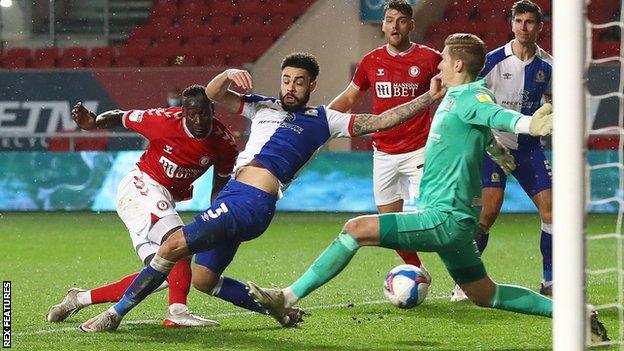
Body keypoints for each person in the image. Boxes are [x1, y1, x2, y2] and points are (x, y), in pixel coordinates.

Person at [246, 34, 609, 343]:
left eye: (443, 62)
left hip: (443, 218)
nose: (437, 67)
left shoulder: (472, 97)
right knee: (486, 293)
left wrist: (530, 123)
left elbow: (499, 117)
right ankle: (574, 314)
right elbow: (485, 133)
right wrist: (500, 152)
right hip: (454, 223)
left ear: (459, 67)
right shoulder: (454, 96)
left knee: (355, 230)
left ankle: (286, 296)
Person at [78, 52, 447, 332]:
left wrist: (427, 99)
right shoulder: (260, 106)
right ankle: (278, 309)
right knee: (204, 279)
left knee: (171, 248)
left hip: (251, 201)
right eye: (286, 80)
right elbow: (211, 95)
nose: (290, 87)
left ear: (312, 86)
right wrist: (226, 75)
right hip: (236, 200)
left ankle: (113, 315)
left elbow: (380, 120)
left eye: (299, 82)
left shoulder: (325, 120)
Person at [47, 85, 268, 328]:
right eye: (191, 114)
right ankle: (177, 312)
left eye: (203, 113)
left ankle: (78, 299)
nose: (198, 120)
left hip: (161, 198)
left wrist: (218, 217)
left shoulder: (224, 143)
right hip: (140, 187)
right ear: (182, 112)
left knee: (163, 273)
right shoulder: (162, 121)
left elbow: (220, 184)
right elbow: (122, 116)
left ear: (212, 110)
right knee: (180, 245)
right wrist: (94, 123)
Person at [451, 0, 554, 302]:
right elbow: (468, 96)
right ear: (511, 24)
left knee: (552, 212)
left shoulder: (549, 66)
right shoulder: (493, 61)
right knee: (487, 213)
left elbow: (556, 99)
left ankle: (550, 281)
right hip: (492, 146)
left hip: (528, 149)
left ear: (540, 26)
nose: (524, 27)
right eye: (519, 21)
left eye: (530, 22)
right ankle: (465, 282)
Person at [328, 0, 441, 269]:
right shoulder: (371, 61)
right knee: (390, 227)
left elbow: (455, 86)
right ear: (383, 24)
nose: (395, 26)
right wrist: (323, 119)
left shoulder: (430, 58)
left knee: (436, 219)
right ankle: (416, 271)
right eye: (389, 20)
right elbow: (349, 97)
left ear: (411, 25)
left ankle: (463, 280)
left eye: (401, 20)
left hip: (420, 151)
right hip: (384, 154)